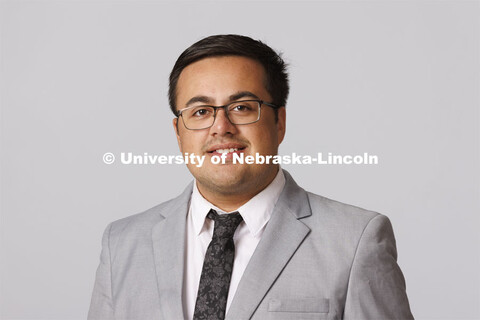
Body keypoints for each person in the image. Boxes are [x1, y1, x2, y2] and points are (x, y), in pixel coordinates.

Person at [88, 34, 414, 320]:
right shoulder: (122, 243)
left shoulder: (355, 241)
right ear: (178, 131)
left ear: (279, 122)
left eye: (242, 107)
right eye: (200, 112)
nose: (221, 127)